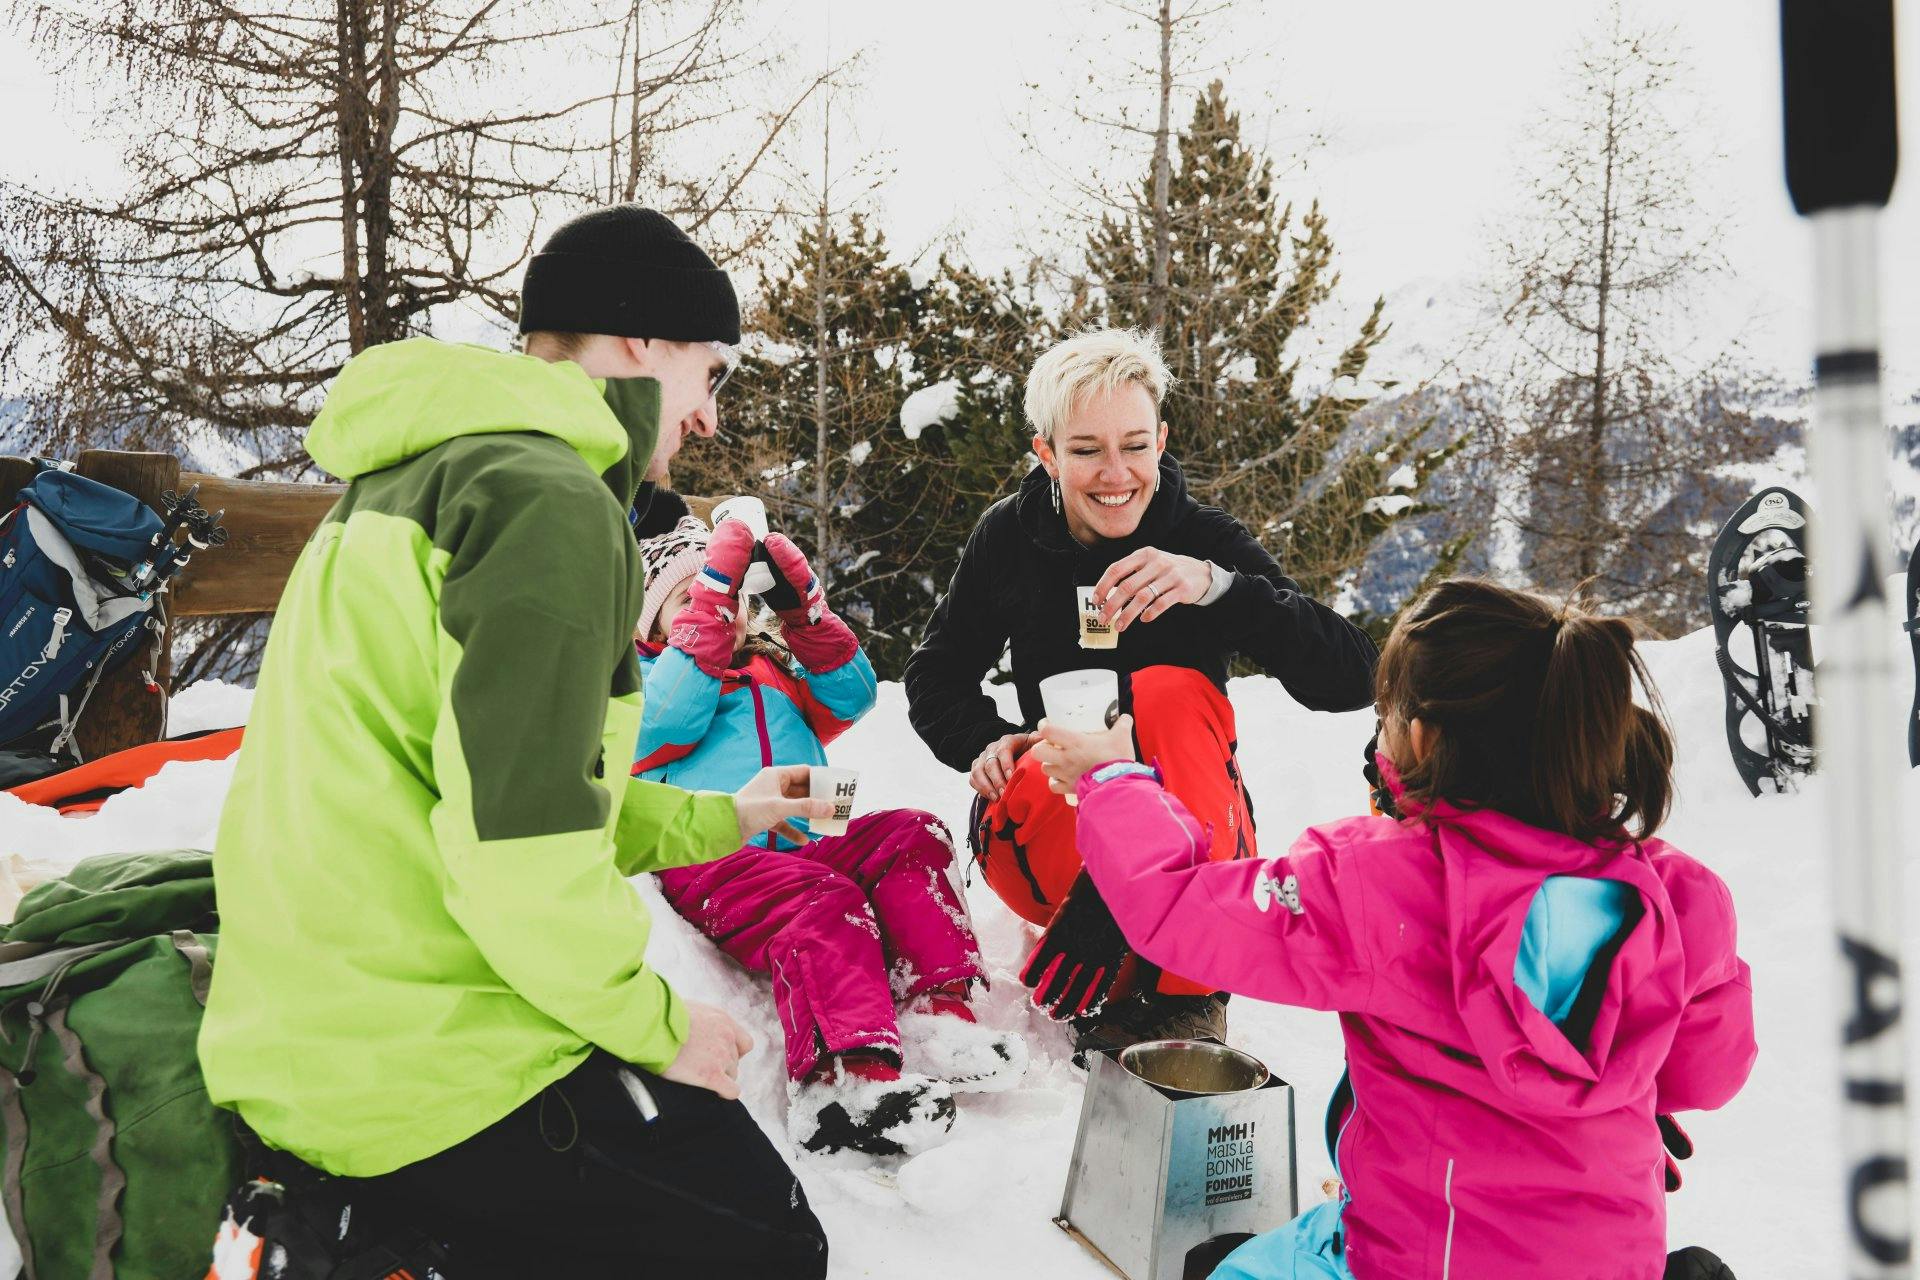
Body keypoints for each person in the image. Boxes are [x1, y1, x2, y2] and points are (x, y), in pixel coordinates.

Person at [200, 205, 834, 1278]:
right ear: (641, 341)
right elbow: (520, 849)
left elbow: (503, 789)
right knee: (767, 1244)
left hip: (315, 1023)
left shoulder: (410, 479)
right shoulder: (547, 504)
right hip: (422, 1065)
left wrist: (729, 813)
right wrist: (657, 1022)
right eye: (710, 374)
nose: (710, 419)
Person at [1031, 579, 1756, 1279]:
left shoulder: (1380, 884)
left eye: (1382, 718)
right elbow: (1706, 1074)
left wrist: (1115, 779)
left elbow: (1178, 908)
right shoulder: (1682, 896)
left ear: (1420, 736)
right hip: (1609, 1256)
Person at [902, 327, 1378, 1053]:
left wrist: (1216, 588)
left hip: (1196, 830)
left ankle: (1187, 992)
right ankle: (1118, 939)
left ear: (1161, 440)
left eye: (1133, 445)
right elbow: (935, 675)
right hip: (1056, 820)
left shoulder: (1203, 539)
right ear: (1048, 454)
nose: (1114, 473)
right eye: (1086, 450)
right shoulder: (1009, 536)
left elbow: (1352, 678)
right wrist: (987, 741)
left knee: (1168, 695)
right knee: (1066, 741)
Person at [632, 515, 1026, 1157]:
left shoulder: (768, 669)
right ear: (650, 627)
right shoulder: (644, 681)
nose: (721, 613)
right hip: (709, 854)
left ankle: (937, 1014)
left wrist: (804, 614)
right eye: (693, 601)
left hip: (803, 838)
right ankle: (841, 1083)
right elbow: (670, 715)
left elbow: (853, 696)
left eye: (730, 599)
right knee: (822, 898)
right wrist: (711, 595)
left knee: (911, 834)